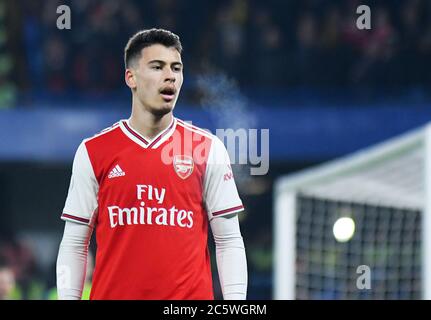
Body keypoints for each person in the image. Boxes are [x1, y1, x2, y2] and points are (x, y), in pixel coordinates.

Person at [56, 28, 247, 300]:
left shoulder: (208, 149)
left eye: (176, 68)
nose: (170, 75)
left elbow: (228, 241)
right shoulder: (93, 151)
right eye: (157, 67)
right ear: (130, 77)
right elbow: (75, 243)